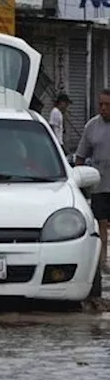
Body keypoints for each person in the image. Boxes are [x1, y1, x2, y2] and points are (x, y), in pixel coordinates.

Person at [75, 88, 111, 274]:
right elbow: (80, 156)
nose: (103, 108)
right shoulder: (92, 127)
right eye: (101, 104)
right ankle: (102, 262)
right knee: (101, 225)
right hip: (99, 185)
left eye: (108, 105)